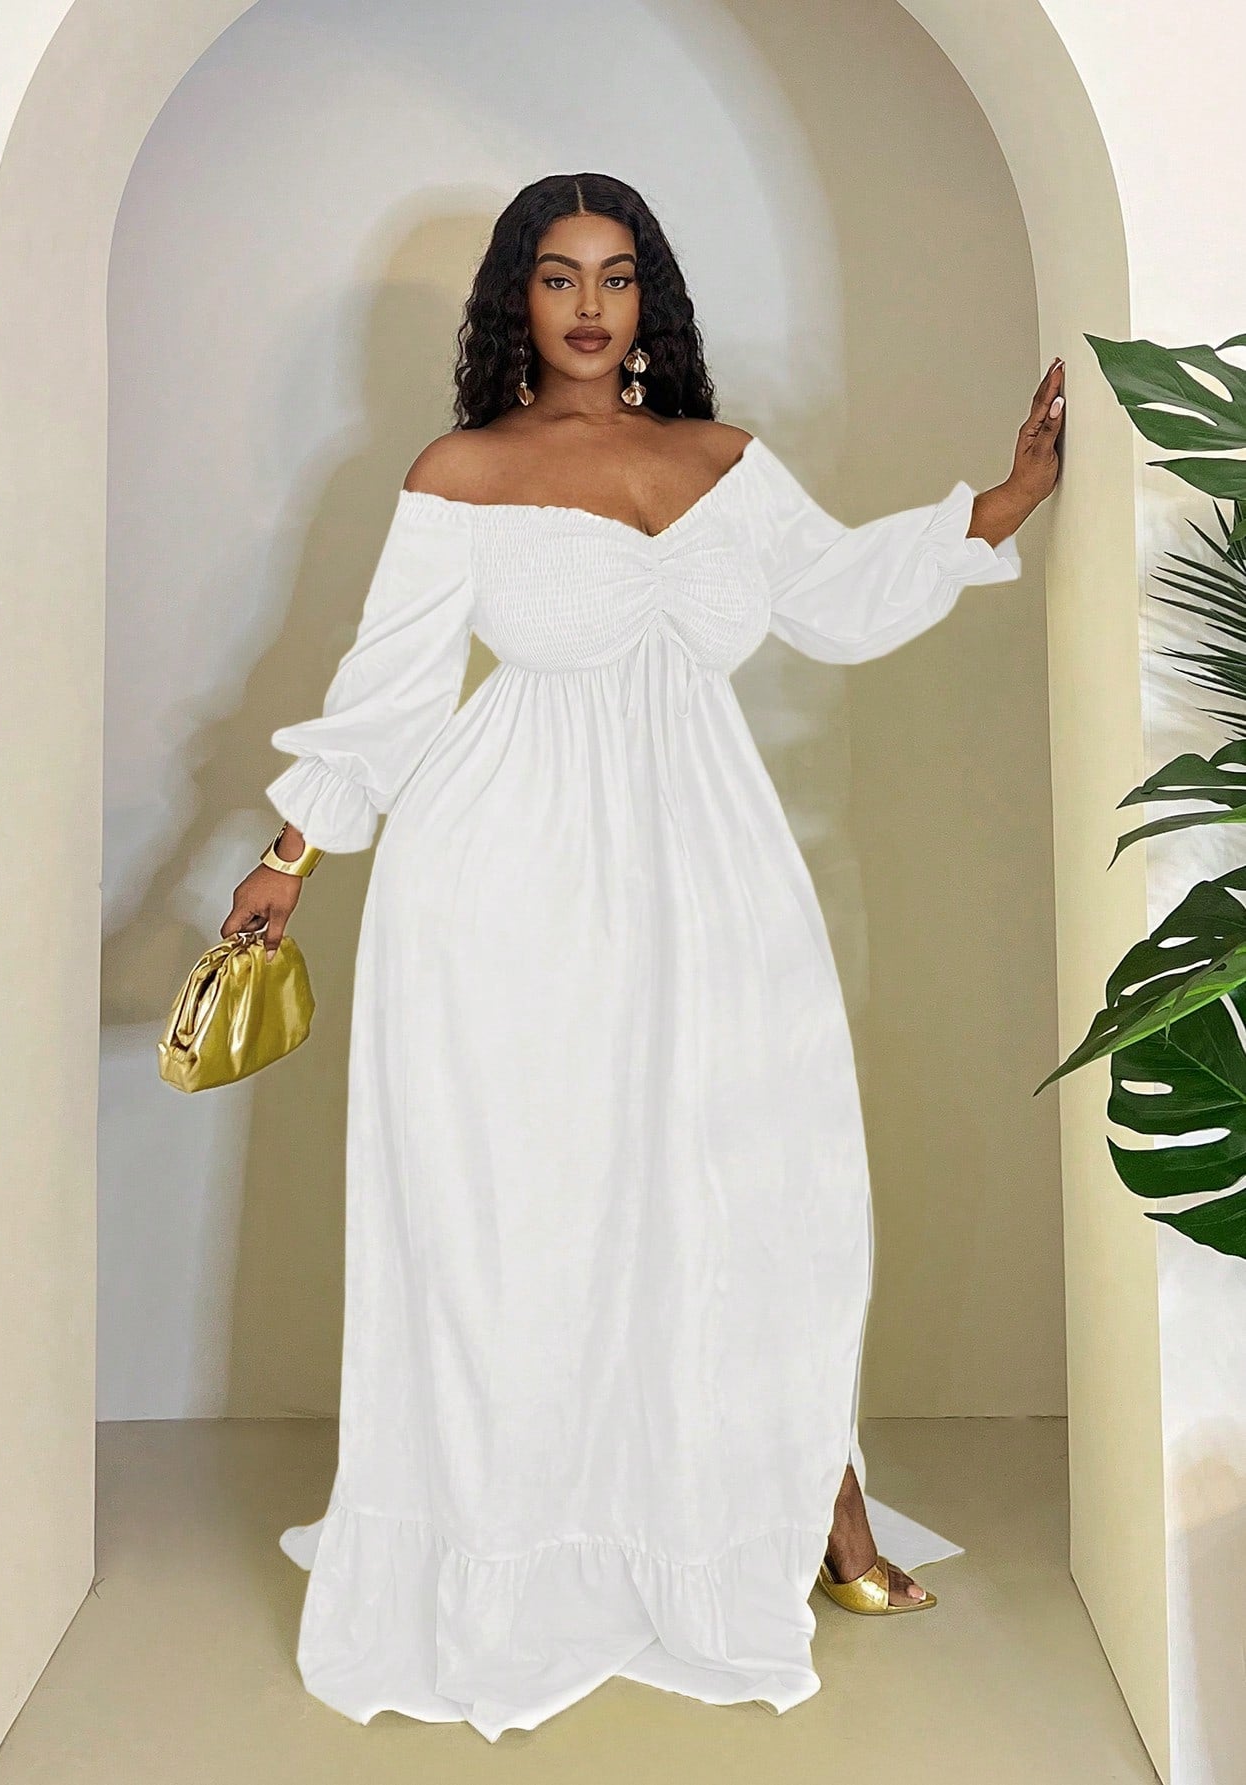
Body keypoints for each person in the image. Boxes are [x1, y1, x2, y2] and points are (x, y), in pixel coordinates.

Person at [221, 170, 1063, 1741]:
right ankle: (537, 1544)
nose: (590, 306)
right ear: (517, 300)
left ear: (651, 297)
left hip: (714, 871)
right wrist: (291, 857)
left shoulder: (726, 461)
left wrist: (1001, 505)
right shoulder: (463, 470)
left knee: (766, 1184)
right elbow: (389, 689)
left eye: (616, 275)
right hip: (507, 885)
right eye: (559, 276)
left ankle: (811, 1498)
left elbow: (834, 595)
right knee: (533, 1215)